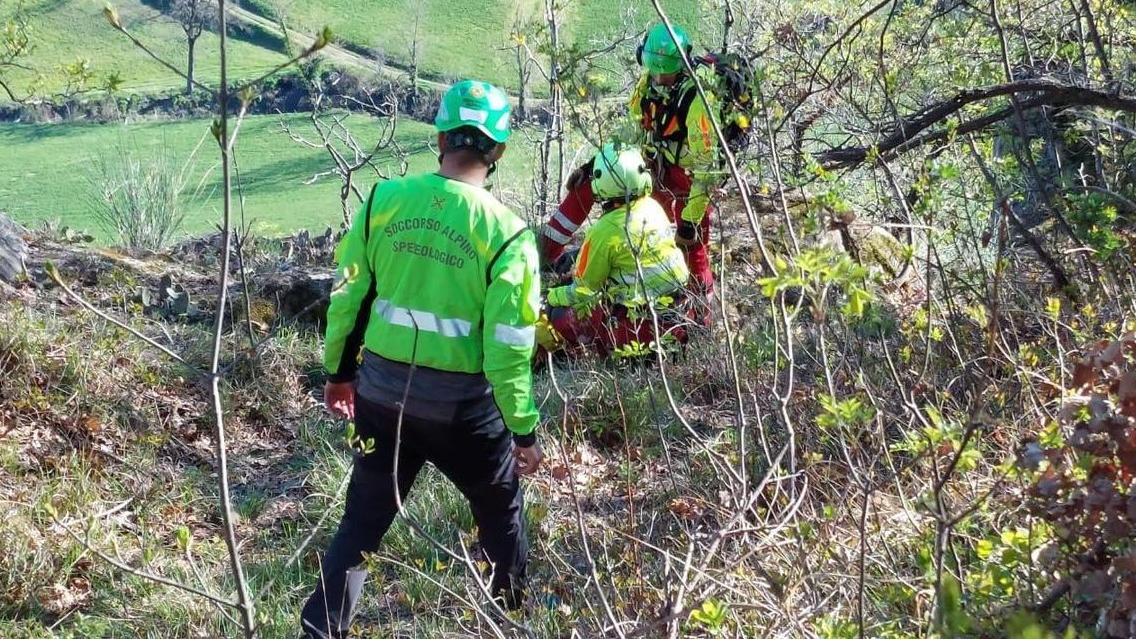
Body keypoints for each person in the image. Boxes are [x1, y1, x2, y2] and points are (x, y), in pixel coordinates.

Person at [301, 79, 543, 639]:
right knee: (501, 514)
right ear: (499, 150)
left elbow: (349, 300)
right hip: (465, 414)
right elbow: (508, 351)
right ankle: (508, 619)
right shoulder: (509, 235)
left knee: (362, 519)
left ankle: (320, 630)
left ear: (439, 136)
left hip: (382, 400)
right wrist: (523, 431)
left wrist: (340, 376)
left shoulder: (384, 201)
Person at [541, 21, 719, 300]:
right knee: (588, 183)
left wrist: (689, 221)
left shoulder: (697, 101)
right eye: (654, 69)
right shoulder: (647, 85)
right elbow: (627, 134)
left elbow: (708, 170)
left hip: (689, 177)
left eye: (665, 73)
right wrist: (594, 166)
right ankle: (547, 252)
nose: (659, 78)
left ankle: (701, 310)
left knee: (692, 242)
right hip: (653, 166)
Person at [539, 143, 692, 358]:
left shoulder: (603, 231)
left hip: (636, 332)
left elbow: (583, 293)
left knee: (559, 314)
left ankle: (578, 355)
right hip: (677, 320)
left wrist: (551, 297)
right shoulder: (655, 208)